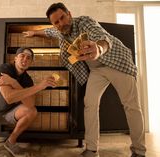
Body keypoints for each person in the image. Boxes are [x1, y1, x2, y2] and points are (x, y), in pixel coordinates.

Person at [23, 2, 146, 157]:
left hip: (117, 63)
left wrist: (99, 48)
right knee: (90, 104)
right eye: (57, 22)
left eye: (63, 17)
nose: (61, 23)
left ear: (69, 14)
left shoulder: (84, 22)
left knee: (131, 106)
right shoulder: (59, 31)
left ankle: (139, 151)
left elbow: (103, 37)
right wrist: (34, 33)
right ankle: (92, 149)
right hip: (97, 70)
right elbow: (48, 32)